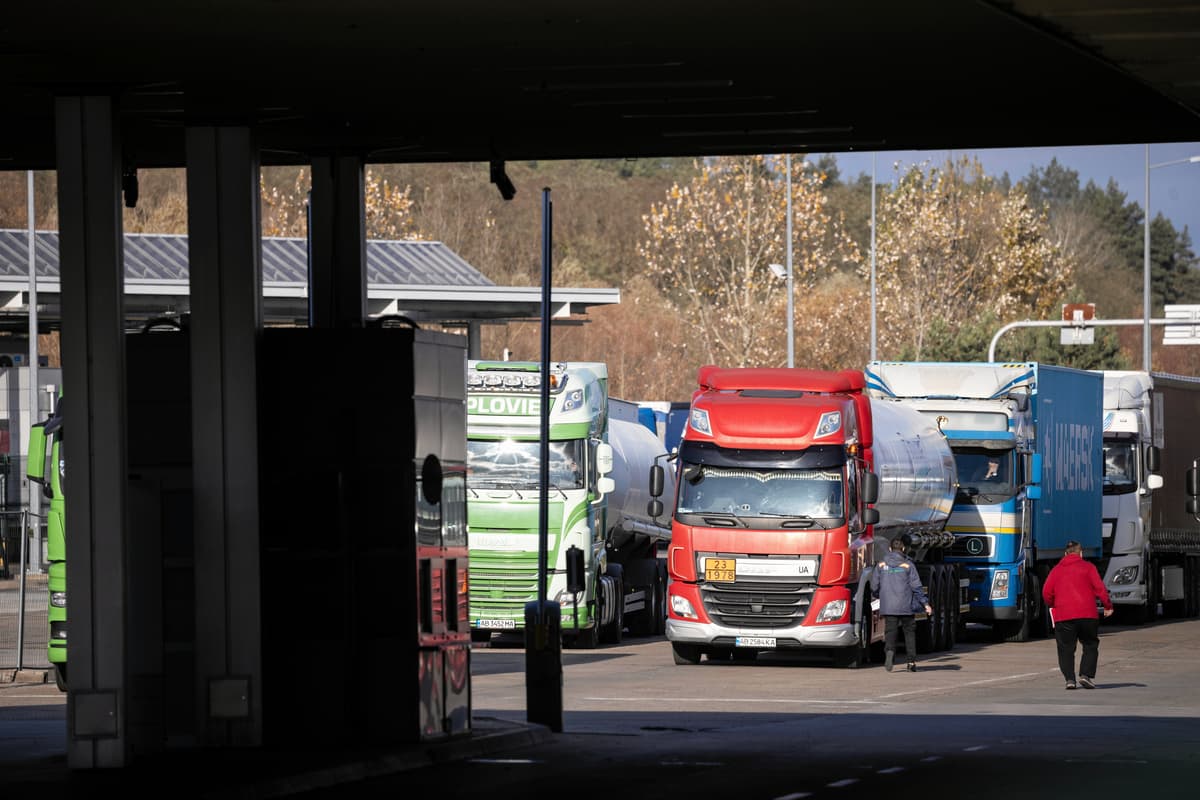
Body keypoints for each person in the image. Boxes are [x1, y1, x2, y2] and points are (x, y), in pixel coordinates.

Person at [1042, 540, 1113, 690]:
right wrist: (1108, 606)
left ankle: (1070, 679)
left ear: (1065, 554)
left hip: (1064, 616)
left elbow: (1046, 592)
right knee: (1090, 644)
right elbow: (1100, 588)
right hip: (1088, 615)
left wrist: (1054, 604)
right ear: (1081, 553)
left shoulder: (1056, 570)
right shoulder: (1089, 568)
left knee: (1065, 648)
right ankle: (1085, 675)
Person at [870, 536, 932, 672]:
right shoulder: (908, 565)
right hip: (906, 606)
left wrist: (878, 595)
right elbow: (917, 587)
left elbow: (874, 585)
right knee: (909, 633)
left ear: (890, 549)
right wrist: (925, 604)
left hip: (888, 606)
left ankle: (890, 652)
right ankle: (911, 662)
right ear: (903, 549)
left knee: (890, 632)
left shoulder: (881, 565)